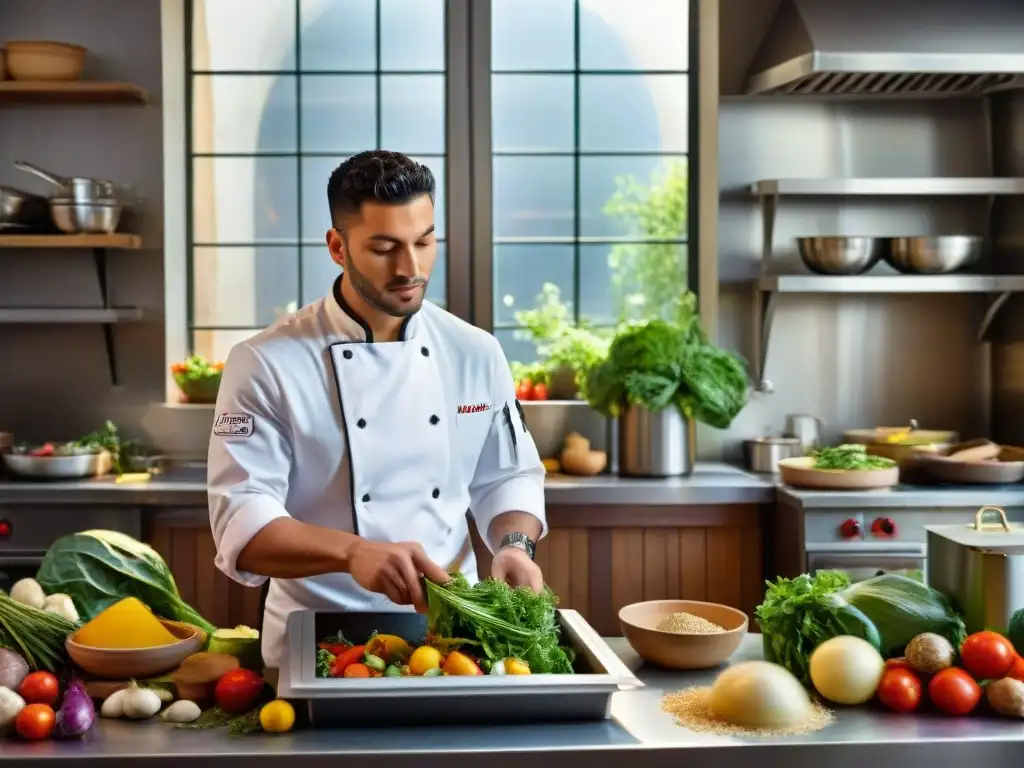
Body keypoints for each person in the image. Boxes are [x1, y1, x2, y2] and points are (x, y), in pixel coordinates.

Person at [207, 150, 547, 668]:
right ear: (337, 248)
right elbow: (242, 525)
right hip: (319, 639)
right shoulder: (265, 362)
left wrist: (515, 545)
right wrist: (350, 551)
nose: (410, 268)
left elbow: (507, 476)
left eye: (424, 241)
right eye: (385, 248)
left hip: (453, 640)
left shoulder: (475, 351)